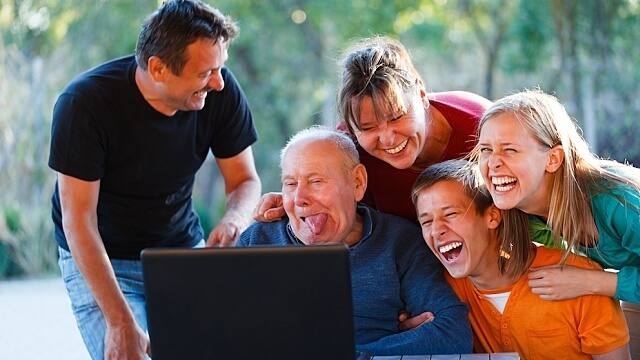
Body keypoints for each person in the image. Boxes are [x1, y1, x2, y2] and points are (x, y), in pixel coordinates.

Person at [48, 1, 261, 359]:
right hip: (104, 257)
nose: (219, 81)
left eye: (220, 67)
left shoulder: (219, 91)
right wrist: (119, 320)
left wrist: (234, 219)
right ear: (158, 68)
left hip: (179, 252)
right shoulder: (84, 104)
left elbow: (245, 181)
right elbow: (79, 221)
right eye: (205, 72)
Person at [238, 126, 472, 356]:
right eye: (290, 184)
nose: (299, 199)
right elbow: (221, 329)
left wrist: (355, 355)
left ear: (358, 183)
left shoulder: (400, 243)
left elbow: (452, 333)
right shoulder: (257, 241)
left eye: (316, 181)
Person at [473, 90, 640, 357]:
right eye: (486, 150)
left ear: (553, 159)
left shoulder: (619, 202)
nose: (493, 162)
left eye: (510, 150)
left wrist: (590, 281)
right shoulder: (519, 208)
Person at [254, 36, 491, 223]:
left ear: (420, 94)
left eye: (397, 116)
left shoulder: (481, 124)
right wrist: (291, 201)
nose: (387, 138)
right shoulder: (346, 149)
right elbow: (318, 190)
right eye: (367, 127)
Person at [412, 159, 630, 359]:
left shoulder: (580, 281)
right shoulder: (442, 292)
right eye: (426, 221)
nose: (436, 230)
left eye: (450, 214)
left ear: (492, 216)